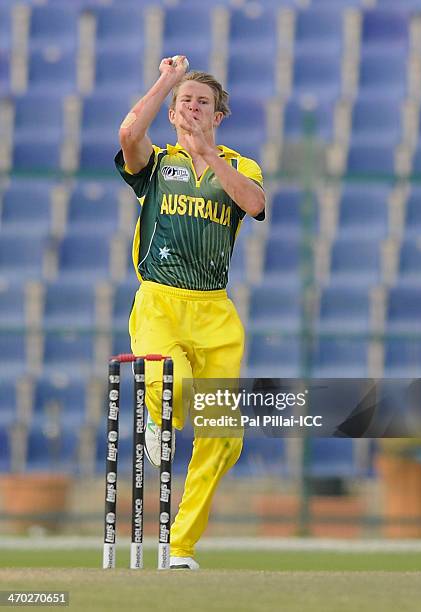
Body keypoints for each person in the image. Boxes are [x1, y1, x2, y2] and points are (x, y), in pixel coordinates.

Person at [114, 56, 266, 569]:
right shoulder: (156, 164)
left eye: (203, 103)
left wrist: (209, 155)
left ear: (218, 116)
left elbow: (255, 204)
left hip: (216, 311)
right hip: (161, 300)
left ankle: (179, 546)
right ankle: (160, 415)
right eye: (186, 102)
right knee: (171, 383)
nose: (194, 108)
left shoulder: (241, 165)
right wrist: (166, 80)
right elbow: (130, 132)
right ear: (174, 113)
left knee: (223, 437)